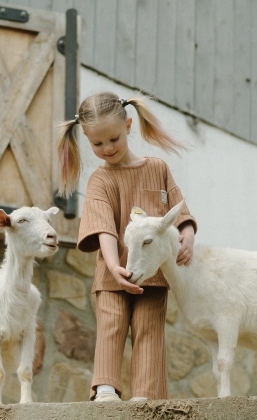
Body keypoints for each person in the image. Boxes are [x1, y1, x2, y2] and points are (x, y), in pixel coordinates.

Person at [57, 91, 198, 402]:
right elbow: (103, 227)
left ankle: (145, 396)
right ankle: (106, 388)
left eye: (113, 139)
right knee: (112, 322)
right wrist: (113, 266)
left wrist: (187, 233)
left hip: (153, 274)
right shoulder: (99, 180)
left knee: (150, 329)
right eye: (97, 144)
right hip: (113, 274)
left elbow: (179, 208)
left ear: (129, 126)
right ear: (87, 140)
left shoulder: (158, 168)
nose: (107, 149)